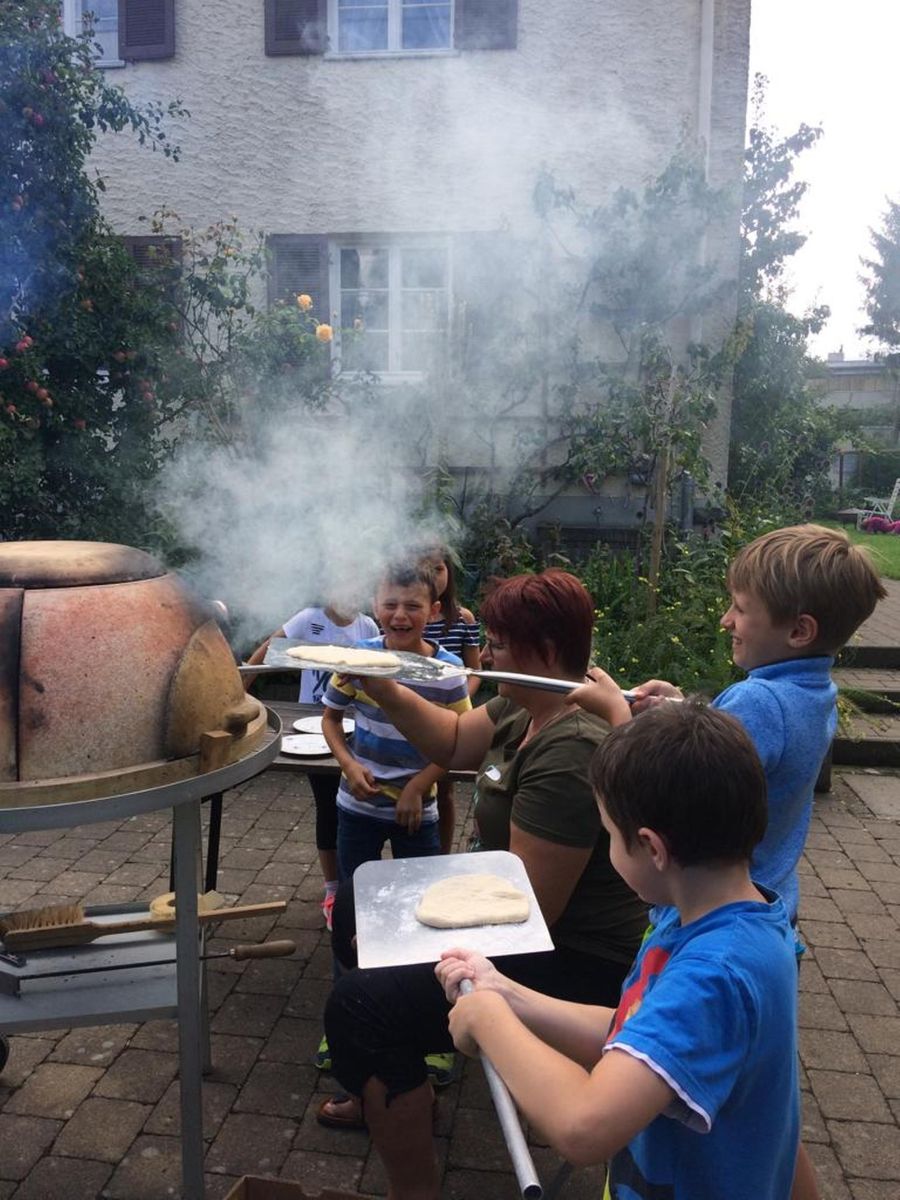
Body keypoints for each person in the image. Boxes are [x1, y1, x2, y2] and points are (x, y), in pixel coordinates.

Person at [566, 523, 887, 1200]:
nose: (725, 619)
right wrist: (684, 708)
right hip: (766, 904)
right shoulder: (809, 691)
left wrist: (616, 715)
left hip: (707, 904)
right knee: (757, 1086)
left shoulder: (758, 701)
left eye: (740, 608)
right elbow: (728, 748)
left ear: (798, 629)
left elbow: (673, 786)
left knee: (688, 1045)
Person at [319, 570, 649, 1185]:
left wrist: (403, 940)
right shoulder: (524, 702)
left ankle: (412, 1180)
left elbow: (528, 912)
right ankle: (398, 1085)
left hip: (573, 956)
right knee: (356, 912)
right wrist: (380, 684)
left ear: (544, 651)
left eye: (497, 644)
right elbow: (451, 742)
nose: (485, 655)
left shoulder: (571, 748)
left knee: (360, 1005)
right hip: (512, 908)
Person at [437, 702, 800, 1200]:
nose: (607, 846)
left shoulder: (714, 975)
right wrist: (506, 993)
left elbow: (585, 1126)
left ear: (652, 848)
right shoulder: (700, 917)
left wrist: (489, 1021)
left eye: (608, 833)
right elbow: (632, 1028)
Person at [321, 562, 472, 882]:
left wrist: (417, 787)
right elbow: (330, 720)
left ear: (433, 611)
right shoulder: (358, 658)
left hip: (418, 808)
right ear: (375, 607)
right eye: (390, 605)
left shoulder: (448, 671)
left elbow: (460, 743)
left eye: (412, 606)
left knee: (418, 892)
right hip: (357, 804)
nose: (400, 615)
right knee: (355, 890)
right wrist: (348, 765)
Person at [245, 600, 379, 930]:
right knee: (328, 807)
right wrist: (240, 687)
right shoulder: (309, 619)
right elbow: (271, 648)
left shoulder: (368, 626)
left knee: (357, 810)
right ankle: (333, 891)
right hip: (314, 726)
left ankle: (359, 886)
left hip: (357, 726)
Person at [417, 543, 482, 853]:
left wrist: (459, 699)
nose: (432, 576)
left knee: (445, 791)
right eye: (424, 568)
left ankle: (442, 855)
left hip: (451, 715)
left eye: (439, 569)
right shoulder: (407, 613)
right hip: (408, 714)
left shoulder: (463, 618)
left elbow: (475, 670)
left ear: (450, 573)